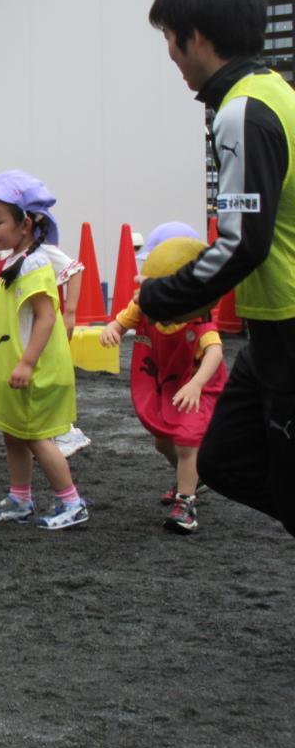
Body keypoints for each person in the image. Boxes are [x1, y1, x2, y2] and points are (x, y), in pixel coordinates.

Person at [142, 0, 295, 536]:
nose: (170, 55)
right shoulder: (276, 92)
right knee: (223, 459)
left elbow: (241, 243)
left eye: (169, 37)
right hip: (269, 330)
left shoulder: (242, 112)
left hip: (288, 326)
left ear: (197, 36)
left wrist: (160, 297)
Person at [0, 170, 88, 529]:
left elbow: (45, 316)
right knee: (14, 433)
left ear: (25, 224)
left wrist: (26, 362)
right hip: (19, 367)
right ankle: (20, 498)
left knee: (37, 437)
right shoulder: (16, 259)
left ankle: (71, 502)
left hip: (35, 369)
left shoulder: (35, 263)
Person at [100, 224, 227, 534]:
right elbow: (122, 320)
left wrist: (196, 384)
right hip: (168, 384)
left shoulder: (198, 317)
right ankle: (192, 477)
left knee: (186, 442)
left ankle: (186, 502)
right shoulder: (144, 305)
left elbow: (214, 352)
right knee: (162, 442)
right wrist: (112, 329)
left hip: (197, 387)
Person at [0, 215, 91, 460]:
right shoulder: (9, 254)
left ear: (25, 224)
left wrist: (70, 313)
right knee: (21, 421)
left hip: (38, 331)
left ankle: (66, 433)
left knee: (39, 397)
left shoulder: (41, 252)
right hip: (20, 334)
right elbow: (0, 282)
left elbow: (75, 269)